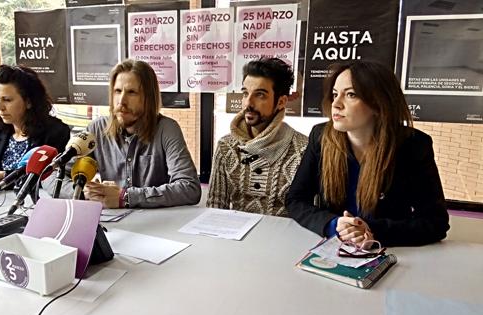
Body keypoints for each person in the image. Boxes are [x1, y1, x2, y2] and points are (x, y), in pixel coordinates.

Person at [285, 60, 449, 247]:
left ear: (378, 103)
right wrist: (333, 225)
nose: (336, 104)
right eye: (335, 94)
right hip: (332, 248)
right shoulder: (320, 136)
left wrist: (372, 230)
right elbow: (296, 200)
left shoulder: (413, 146)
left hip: (390, 252)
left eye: (351, 95)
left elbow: (435, 223)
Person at [82, 59, 201, 208]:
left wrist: (125, 197)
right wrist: (84, 192)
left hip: (155, 227)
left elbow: (190, 188)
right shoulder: (96, 130)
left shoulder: (166, 129)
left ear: (148, 98)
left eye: (131, 92)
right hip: (112, 226)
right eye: (117, 91)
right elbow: (54, 176)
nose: (121, 101)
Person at [207, 57, 308, 216]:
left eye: (260, 95)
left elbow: (310, 214)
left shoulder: (303, 150)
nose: (248, 103)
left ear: (281, 102)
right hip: (235, 238)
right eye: (245, 93)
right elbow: (215, 208)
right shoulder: (226, 146)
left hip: (283, 238)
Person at [0, 64, 70, 185]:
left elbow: (45, 175)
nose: (0, 107)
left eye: (7, 100)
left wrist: (2, 175)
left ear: (29, 102)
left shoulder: (56, 132)